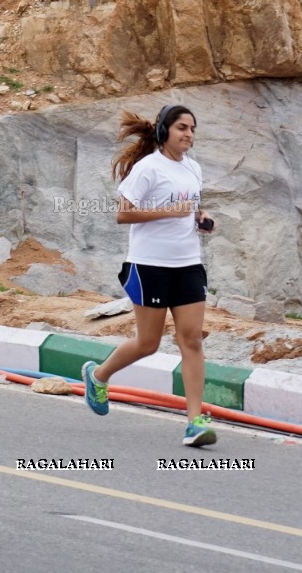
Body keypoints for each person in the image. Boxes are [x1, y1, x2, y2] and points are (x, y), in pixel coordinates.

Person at [82, 104, 217, 447]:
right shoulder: (147, 169)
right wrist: (167, 212)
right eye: (182, 128)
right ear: (164, 132)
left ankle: (194, 421)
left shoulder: (193, 168)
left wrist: (201, 219)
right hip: (149, 265)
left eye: (192, 129)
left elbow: (191, 206)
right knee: (148, 343)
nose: (189, 134)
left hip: (188, 263)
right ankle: (98, 376)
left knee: (192, 340)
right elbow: (123, 215)